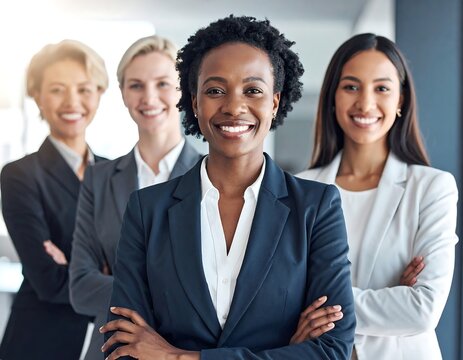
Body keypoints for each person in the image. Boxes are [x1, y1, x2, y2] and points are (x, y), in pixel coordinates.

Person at [100, 15, 356, 360]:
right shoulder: (148, 209)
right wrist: (285, 353)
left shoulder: (316, 207)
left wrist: (178, 357)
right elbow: (122, 346)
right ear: (194, 102)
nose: (234, 107)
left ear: (275, 102)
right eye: (215, 90)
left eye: (253, 90)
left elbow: (331, 349)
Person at [297, 33, 458, 359]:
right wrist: (389, 297)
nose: (365, 103)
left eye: (382, 88)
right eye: (351, 86)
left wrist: (317, 303)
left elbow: (422, 310)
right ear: (333, 97)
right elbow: (277, 300)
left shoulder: (431, 188)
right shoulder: (299, 188)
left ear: (401, 100)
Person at [69, 35, 202, 360]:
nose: (149, 97)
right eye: (136, 85)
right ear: (123, 94)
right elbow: (81, 288)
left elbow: (217, 288)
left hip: (184, 351)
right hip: (110, 351)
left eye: (163, 84)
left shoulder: (212, 174)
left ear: (183, 91)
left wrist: (119, 279)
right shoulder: (99, 179)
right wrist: (172, 285)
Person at [0, 40, 108, 360]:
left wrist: (77, 268)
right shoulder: (20, 175)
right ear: (38, 96)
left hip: (105, 341)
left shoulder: (115, 173)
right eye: (58, 89)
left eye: (84, 89)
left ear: (99, 94)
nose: (72, 101)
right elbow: (48, 281)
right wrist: (106, 272)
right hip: (40, 341)